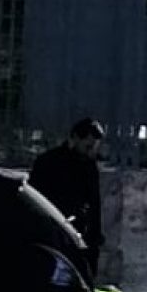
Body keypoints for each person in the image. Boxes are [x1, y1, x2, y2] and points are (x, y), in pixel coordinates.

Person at [29, 118, 106, 275]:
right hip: (51, 230)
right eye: (88, 146)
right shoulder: (49, 162)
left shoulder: (88, 166)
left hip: (76, 232)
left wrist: (94, 236)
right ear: (75, 138)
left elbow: (94, 203)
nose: (91, 152)